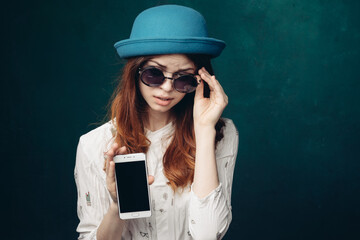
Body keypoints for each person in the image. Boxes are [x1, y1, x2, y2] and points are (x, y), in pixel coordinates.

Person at [74, 4, 238, 240]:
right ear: (134, 72)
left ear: (199, 81)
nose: (167, 88)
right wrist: (117, 206)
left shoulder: (221, 132)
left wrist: (203, 130)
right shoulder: (93, 144)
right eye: (154, 74)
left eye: (184, 79)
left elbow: (208, 234)